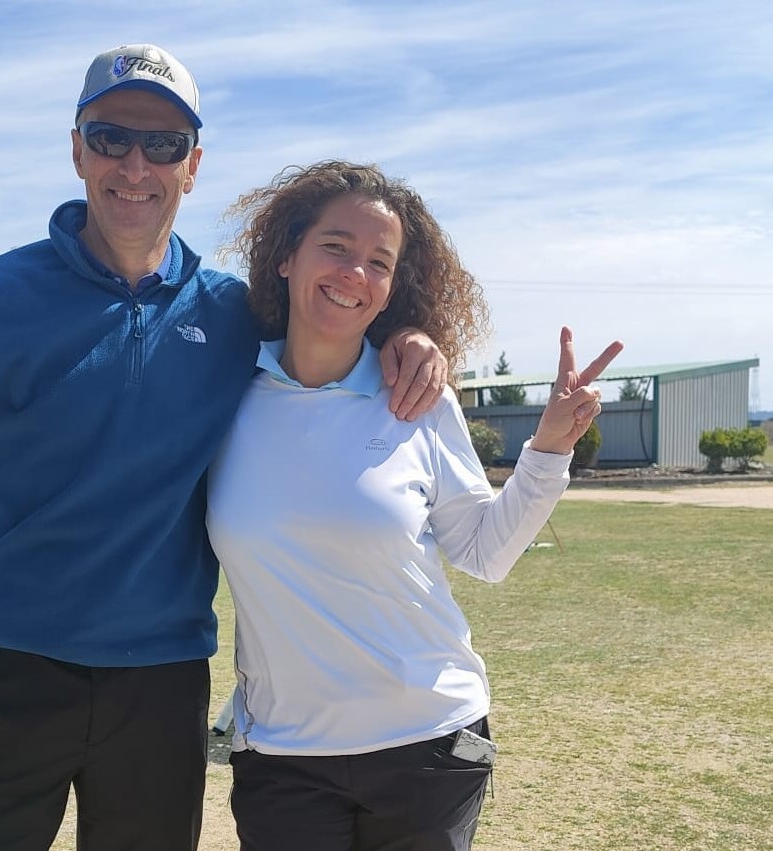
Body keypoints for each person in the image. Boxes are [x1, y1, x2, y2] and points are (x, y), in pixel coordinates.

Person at [0, 45, 447, 851]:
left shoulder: (232, 315)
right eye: (110, 137)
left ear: (192, 166)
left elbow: (332, 320)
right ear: (76, 151)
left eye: (162, 144)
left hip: (159, 687)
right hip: (7, 674)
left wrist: (409, 336)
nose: (135, 164)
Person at [207, 161, 624, 851]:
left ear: (392, 287)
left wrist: (549, 447)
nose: (354, 273)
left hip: (428, 744)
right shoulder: (222, 393)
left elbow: (485, 553)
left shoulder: (418, 398)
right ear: (286, 256)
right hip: (281, 753)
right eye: (335, 246)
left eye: (379, 261)